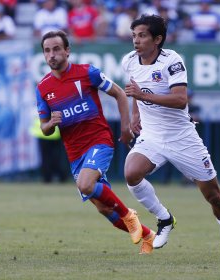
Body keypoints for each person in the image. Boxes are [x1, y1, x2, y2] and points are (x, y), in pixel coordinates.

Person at [122, 14, 220, 262]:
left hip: (182, 137)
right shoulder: (130, 61)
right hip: (152, 135)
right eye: (134, 35)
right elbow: (134, 90)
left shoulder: (172, 61)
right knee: (131, 173)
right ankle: (164, 218)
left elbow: (180, 100)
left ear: (158, 39)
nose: (136, 41)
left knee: (214, 197)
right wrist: (134, 113)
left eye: (142, 35)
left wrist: (143, 97)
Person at [36, 30, 155, 254]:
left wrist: (125, 127)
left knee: (85, 184)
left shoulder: (86, 73)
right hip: (74, 153)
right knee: (104, 208)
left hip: (99, 141)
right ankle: (148, 235)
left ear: (67, 51)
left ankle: (130, 216)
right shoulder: (43, 88)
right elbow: (44, 128)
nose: (52, 55)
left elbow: (120, 94)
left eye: (57, 49)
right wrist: (51, 123)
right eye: (47, 51)